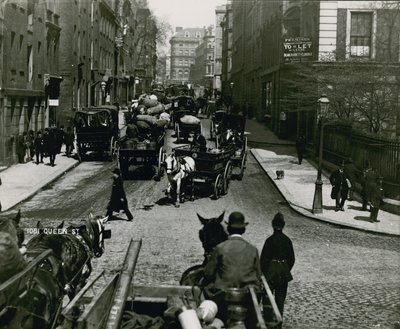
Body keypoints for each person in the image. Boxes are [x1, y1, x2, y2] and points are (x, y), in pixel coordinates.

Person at [203, 212, 262, 319]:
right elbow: (258, 275)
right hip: (247, 296)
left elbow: (208, 274)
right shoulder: (253, 250)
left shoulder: (220, 248)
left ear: (228, 229)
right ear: (243, 229)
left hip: (223, 296)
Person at [260, 212, 295, 328]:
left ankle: (269, 323)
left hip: (270, 276)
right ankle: (278, 324)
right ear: (283, 225)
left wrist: (267, 271)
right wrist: (284, 268)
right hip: (282, 276)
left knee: (268, 301)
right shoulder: (287, 241)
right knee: (280, 301)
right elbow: (292, 259)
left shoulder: (269, 241)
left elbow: (263, 260)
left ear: (272, 225)